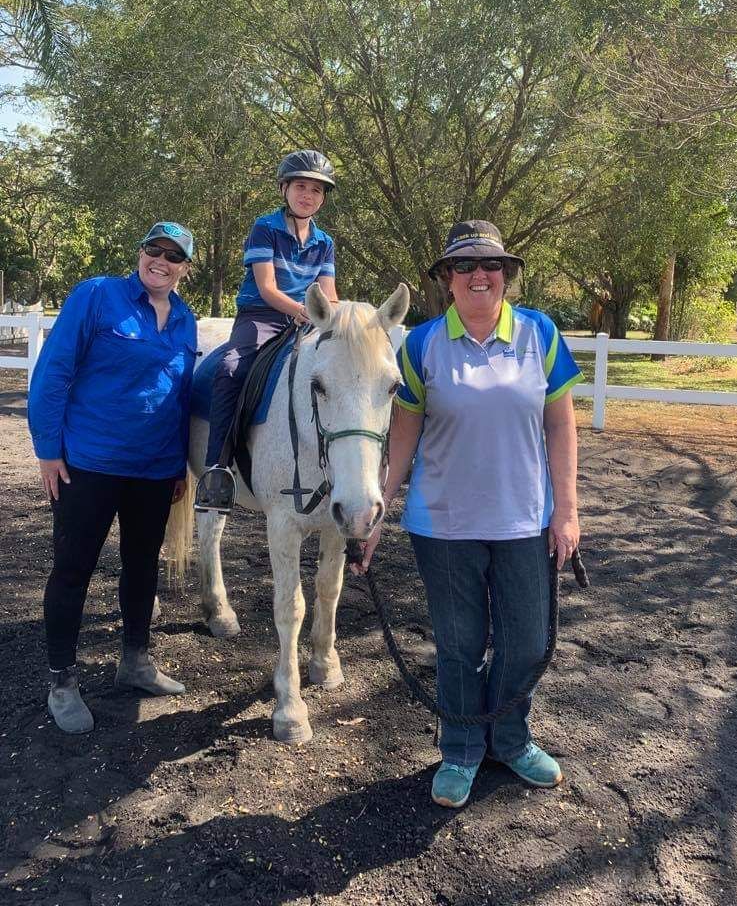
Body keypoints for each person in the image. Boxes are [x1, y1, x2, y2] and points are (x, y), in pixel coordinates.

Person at [353, 220, 583, 808]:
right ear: (446, 280)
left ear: (505, 276)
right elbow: (403, 433)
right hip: (445, 523)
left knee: (527, 641)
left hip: (524, 521)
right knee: (459, 644)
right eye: (464, 266)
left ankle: (510, 738)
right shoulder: (422, 344)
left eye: (491, 265)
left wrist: (567, 509)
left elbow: (560, 423)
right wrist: (379, 510)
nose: (479, 275)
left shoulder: (541, 334)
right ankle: (460, 749)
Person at [27, 221, 198, 734]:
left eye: (173, 256)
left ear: (185, 269)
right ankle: (62, 681)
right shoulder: (98, 295)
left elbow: (180, 397)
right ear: (140, 253)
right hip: (89, 466)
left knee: (141, 568)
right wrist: (48, 451)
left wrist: (177, 466)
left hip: (153, 471)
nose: (161, 261)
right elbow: (53, 370)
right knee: (73, 569)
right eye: (154, 250)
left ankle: (136, 662)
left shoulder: (186, 319)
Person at [195, 149, 338, 512]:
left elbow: (330, 294)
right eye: (301, 187)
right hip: (262, 317)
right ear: (284, 189)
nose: (308, 195)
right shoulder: (266, 228)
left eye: (317, 190)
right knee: (230, 368)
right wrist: (302, 311)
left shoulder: (324, 243)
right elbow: (267, 287)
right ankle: (217, 470)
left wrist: (337, 319)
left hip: (306, 320)